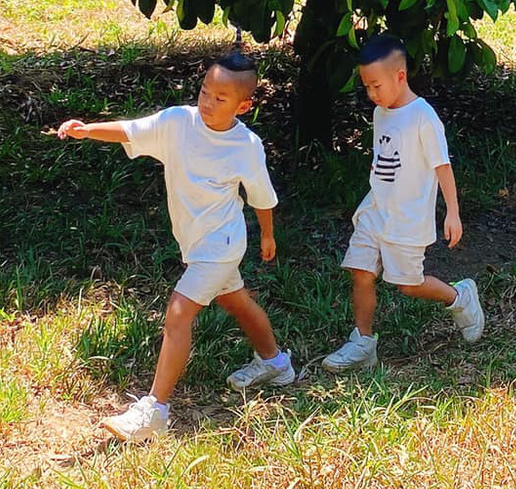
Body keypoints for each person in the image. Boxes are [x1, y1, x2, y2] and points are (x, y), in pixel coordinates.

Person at [56, 51, 292, 442]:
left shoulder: (246, 145)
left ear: (243, 105)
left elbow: (261, 197)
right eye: (204, 91)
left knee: (178, 315)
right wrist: (87, 129)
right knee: (236, 301)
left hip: (223, 244)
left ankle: (155, 410)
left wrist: (267, 234)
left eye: (220, 98)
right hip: (197, 241)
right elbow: (132, 130)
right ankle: (276, 363)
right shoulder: (177, 122)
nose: (207, 103)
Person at [320, 34, 486, 371]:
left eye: (376, 85)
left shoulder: (423, 117)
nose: (371, 94)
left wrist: (452, 212)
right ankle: (363, 342)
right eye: (366, 86)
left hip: (407, 217)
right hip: (375, 210)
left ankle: (460, 297)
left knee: (409, 285)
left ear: (400, 76)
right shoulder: (383, 112)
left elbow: (443, 166)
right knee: (361, 271)